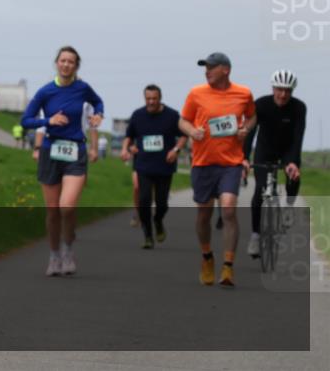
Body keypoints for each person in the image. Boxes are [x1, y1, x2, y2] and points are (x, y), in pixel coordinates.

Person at [22, 45, 104, 277]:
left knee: (66, 206)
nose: (66, 64)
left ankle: (68, 248)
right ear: (56, 63)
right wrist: (48, 120)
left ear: (76, 66)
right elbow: (26, 120)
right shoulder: (45, 92)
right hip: (50, 151)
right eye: (63, 60)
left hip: (75, 151)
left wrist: (99, 115)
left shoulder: (82, 88)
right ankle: (54, 254)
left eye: (71, 61)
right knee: (52, 211)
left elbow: (98, 103)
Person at [179, 52, 256, 288]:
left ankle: (228, 266)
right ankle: (207, 256)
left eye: (211, 67)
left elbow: (252, 117)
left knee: (229, 210)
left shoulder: (243, 93)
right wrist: (192, 132)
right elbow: (183, 120)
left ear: (226, 70)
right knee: (204, 214)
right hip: (203, 163)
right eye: (205, 67)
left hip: (230, 162)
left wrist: (245, 129)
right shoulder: (196, 93)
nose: (207, 71)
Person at [244, 69, 306, 258]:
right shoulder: (260, 104)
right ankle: (255, 236)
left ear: (292, 91)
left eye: (287, 90)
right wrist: (244, 158)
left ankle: (288, 205)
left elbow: (298, 136)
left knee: (294, 176)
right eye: (279, 89)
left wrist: (293, 162)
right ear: (273, 88)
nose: (283, 94)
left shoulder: (298, 107)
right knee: (259, 191)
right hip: (265, 150)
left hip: (288, 150)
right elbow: (249, 132)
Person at [122, 85, 187, 249]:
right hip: (143, 165)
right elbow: (129, 137)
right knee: (143, 200)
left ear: (160, 98)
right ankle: (148, 235)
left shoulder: (172, 115)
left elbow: (183, 136)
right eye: (148, 99)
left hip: (165, 166)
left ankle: (158, 220)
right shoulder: (137, 115)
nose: (151, 102)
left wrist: (176, 150)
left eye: (154, 99)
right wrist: (127, 148)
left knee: (162, 203)